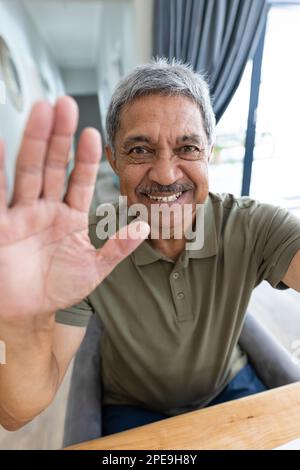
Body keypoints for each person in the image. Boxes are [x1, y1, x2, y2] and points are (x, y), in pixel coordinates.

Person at [0, 59, 300, 436]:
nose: (165, 175)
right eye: (140, 151)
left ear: (208, 152)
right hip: (134, 409)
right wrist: (16, 325)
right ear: (113, 160)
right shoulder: (83, 248)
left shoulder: (253, 224)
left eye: (187, 148)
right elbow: (17, 414)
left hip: (229, 389)